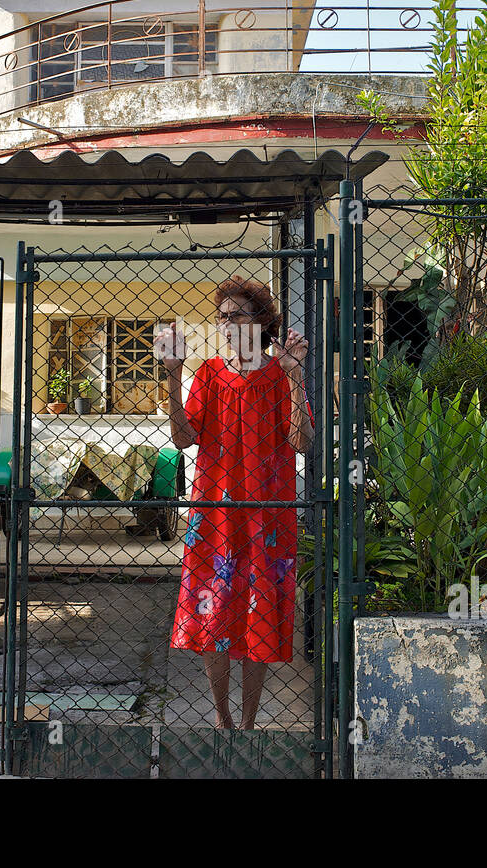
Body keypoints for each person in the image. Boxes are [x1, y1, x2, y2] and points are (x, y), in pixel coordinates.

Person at [160, 276, 313, 730]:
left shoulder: (280, 374)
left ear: (261, 323)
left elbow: (302, 441)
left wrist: (296, 377)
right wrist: (171, 374)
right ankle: (223, 720)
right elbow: (183, 438)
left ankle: (247, 725)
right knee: (214, 616)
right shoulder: (208, 373)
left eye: (236, 316)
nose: (226, 325)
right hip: (215, 516)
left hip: (267, 517)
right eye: (221, 317)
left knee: (257, 616)